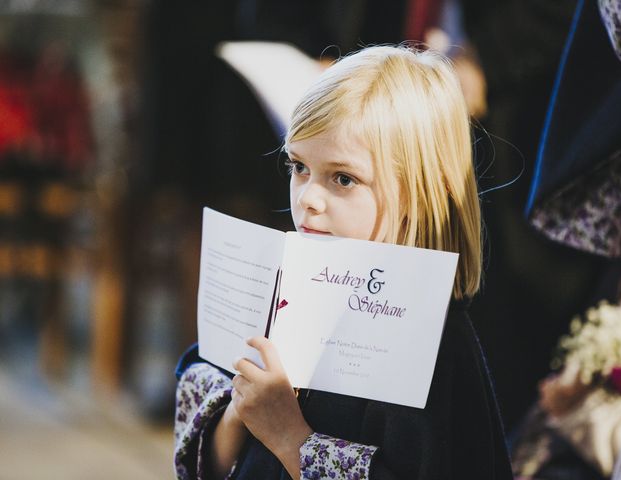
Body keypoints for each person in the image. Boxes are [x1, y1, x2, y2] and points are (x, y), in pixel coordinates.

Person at [173, 45, 513, 480]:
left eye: (343, 178)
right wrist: (242, 410)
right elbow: (210, 464)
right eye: (298, 167)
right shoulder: (273, 292)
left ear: (420, 191)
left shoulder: (432, 343)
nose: (308, 199)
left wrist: (290, 437)